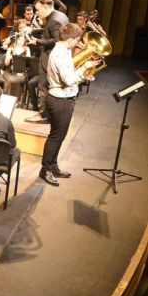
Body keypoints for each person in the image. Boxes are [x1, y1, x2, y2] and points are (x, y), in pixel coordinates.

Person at [40, 23, 99, 186]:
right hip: (60, 101)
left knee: (60, 136)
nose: (78, 43)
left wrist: (84, 75)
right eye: (77, 40)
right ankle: (45, 170)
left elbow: (71, 75)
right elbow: (69, 79)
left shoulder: (64, 51)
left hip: (64, 98)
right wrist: (85, 67)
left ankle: (52, 166)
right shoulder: (59, 54)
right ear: (71, 38)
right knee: (55, 137)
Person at [25, 0, 70, 123]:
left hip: (50, 59)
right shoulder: (59, 15)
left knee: (44, 87)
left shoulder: (54, 20)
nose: (37, 13)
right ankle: (47, 114)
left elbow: (57, 41)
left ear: (46, 6)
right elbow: (48, 32)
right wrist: (34, 31)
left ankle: (43, 115)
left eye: (38, 10)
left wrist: (37, 41)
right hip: (54, 58)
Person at [1, 30, 32, 99]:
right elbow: (6, 64)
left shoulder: (27, 49)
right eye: (19, 39)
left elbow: (28, 63)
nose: (21, 41)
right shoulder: (11, 48)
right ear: (16, 40)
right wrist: (10, 56)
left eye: (22, 40)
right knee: (10, 79)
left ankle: (15, 100)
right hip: (10, 70)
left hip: (22, 72)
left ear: (25, 41)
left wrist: (22, 71)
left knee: (17, 78)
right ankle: (5, 97)